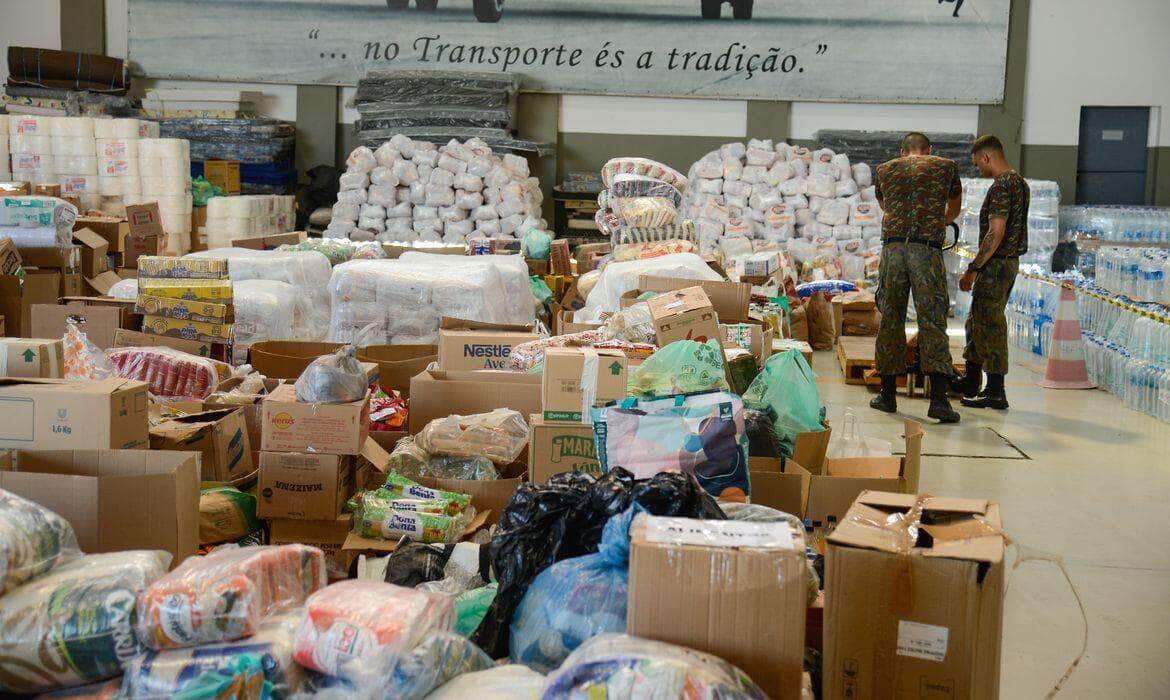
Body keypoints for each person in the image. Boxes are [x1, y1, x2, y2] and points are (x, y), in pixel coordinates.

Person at [870, 132, 962, 423]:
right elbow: (954, 208)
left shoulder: (885, 169)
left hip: (894, 249)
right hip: (926, 250)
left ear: (902, 152)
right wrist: (935, 219)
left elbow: (885, 207)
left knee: (891, 319)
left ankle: (887, 395)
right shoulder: (945, 166)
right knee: (933, 320)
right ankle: (938, 401)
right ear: (929, 150)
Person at [954, 135, 1030, 409]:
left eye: (978, 164)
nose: (978, 169)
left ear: (987, 157)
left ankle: (996, 389)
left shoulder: (1001, 187)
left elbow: (995, 233)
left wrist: (973, 268)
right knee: (979, 321)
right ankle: (972, 381)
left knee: (990, 325)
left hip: (996, 264)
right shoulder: (1019, 183)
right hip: (1006, 263)